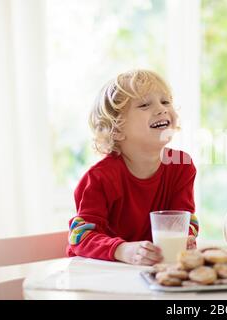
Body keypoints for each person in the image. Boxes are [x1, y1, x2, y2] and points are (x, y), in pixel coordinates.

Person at [66, 69, 199, 265]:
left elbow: (185, 220)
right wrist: (123, 250)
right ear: (117, 130)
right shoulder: (100, 178)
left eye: (165, 101)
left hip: (152, 273)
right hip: (102, 275)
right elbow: (80, 237)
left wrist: (186, 238)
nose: (162, 109)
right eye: (145, 104)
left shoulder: (182, 166)